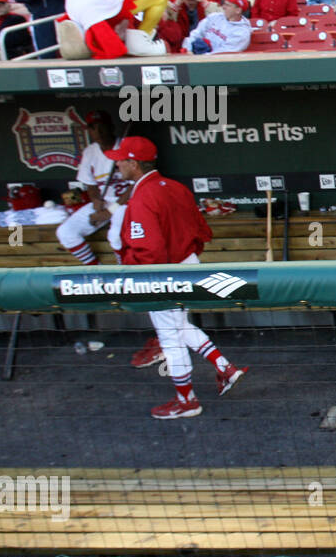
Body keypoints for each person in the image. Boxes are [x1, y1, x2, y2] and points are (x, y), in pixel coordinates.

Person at [106, 136, 249, 419]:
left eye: (121, 159)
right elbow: (202, 233)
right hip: (187, 264)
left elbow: (150, 250)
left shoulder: (143, 197)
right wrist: (186, 256)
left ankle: (187, 401)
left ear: (134, 163)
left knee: (170, 336)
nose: (118, 164)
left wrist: (135, 275)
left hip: (162, 271)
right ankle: (224, 368)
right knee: (180, 326)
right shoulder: (175, 187)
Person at [56, 111, 129, 266]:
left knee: (115, 236)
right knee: (65, 232)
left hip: (127, 203)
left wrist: (109, 212)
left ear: (111, 127)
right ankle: (97, 271)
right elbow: (90, 184)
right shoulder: (90, 152)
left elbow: (138, 185)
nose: (98, 132)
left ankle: (123, 272)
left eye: (101, 127)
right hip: (106, 201)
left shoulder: (126, 146)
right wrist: (96, 200)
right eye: (93, 128)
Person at [182, 0, 251, 54]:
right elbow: (197, 33)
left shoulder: (241, 33)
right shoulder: (215, 17)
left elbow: (223, 54)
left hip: (219, 64)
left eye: (228, 5)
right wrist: (189, 49)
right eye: (224, 4)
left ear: (238, 10)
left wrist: (199, 57)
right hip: (196, 55)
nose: (223, 7)